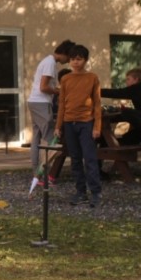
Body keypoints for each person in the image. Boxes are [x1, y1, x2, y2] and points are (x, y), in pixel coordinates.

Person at [54, 45, 103, 208]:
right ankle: (80, 192)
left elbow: (97, 103)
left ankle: (95, 193)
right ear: (70, 60)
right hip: (69, 123)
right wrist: (58, 125)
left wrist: (97, 126)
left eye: (79, 59)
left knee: (89, 158)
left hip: (86, 123)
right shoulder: (65, 79)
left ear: (85, 60)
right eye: (73, 59)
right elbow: (61, 104)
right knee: (75, 159)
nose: (76, 62)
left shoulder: (92, 78)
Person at [28, 40, 76, 177]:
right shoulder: (50, 63)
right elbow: (43, 87)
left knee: (37, 137)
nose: (69, 61)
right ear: (65, 53)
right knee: (52, 140)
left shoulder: (48, 61)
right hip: (41, 103)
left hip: (35, 102)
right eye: (69, 57)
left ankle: (36, 171)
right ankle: (41, 172)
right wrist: (59, 92)